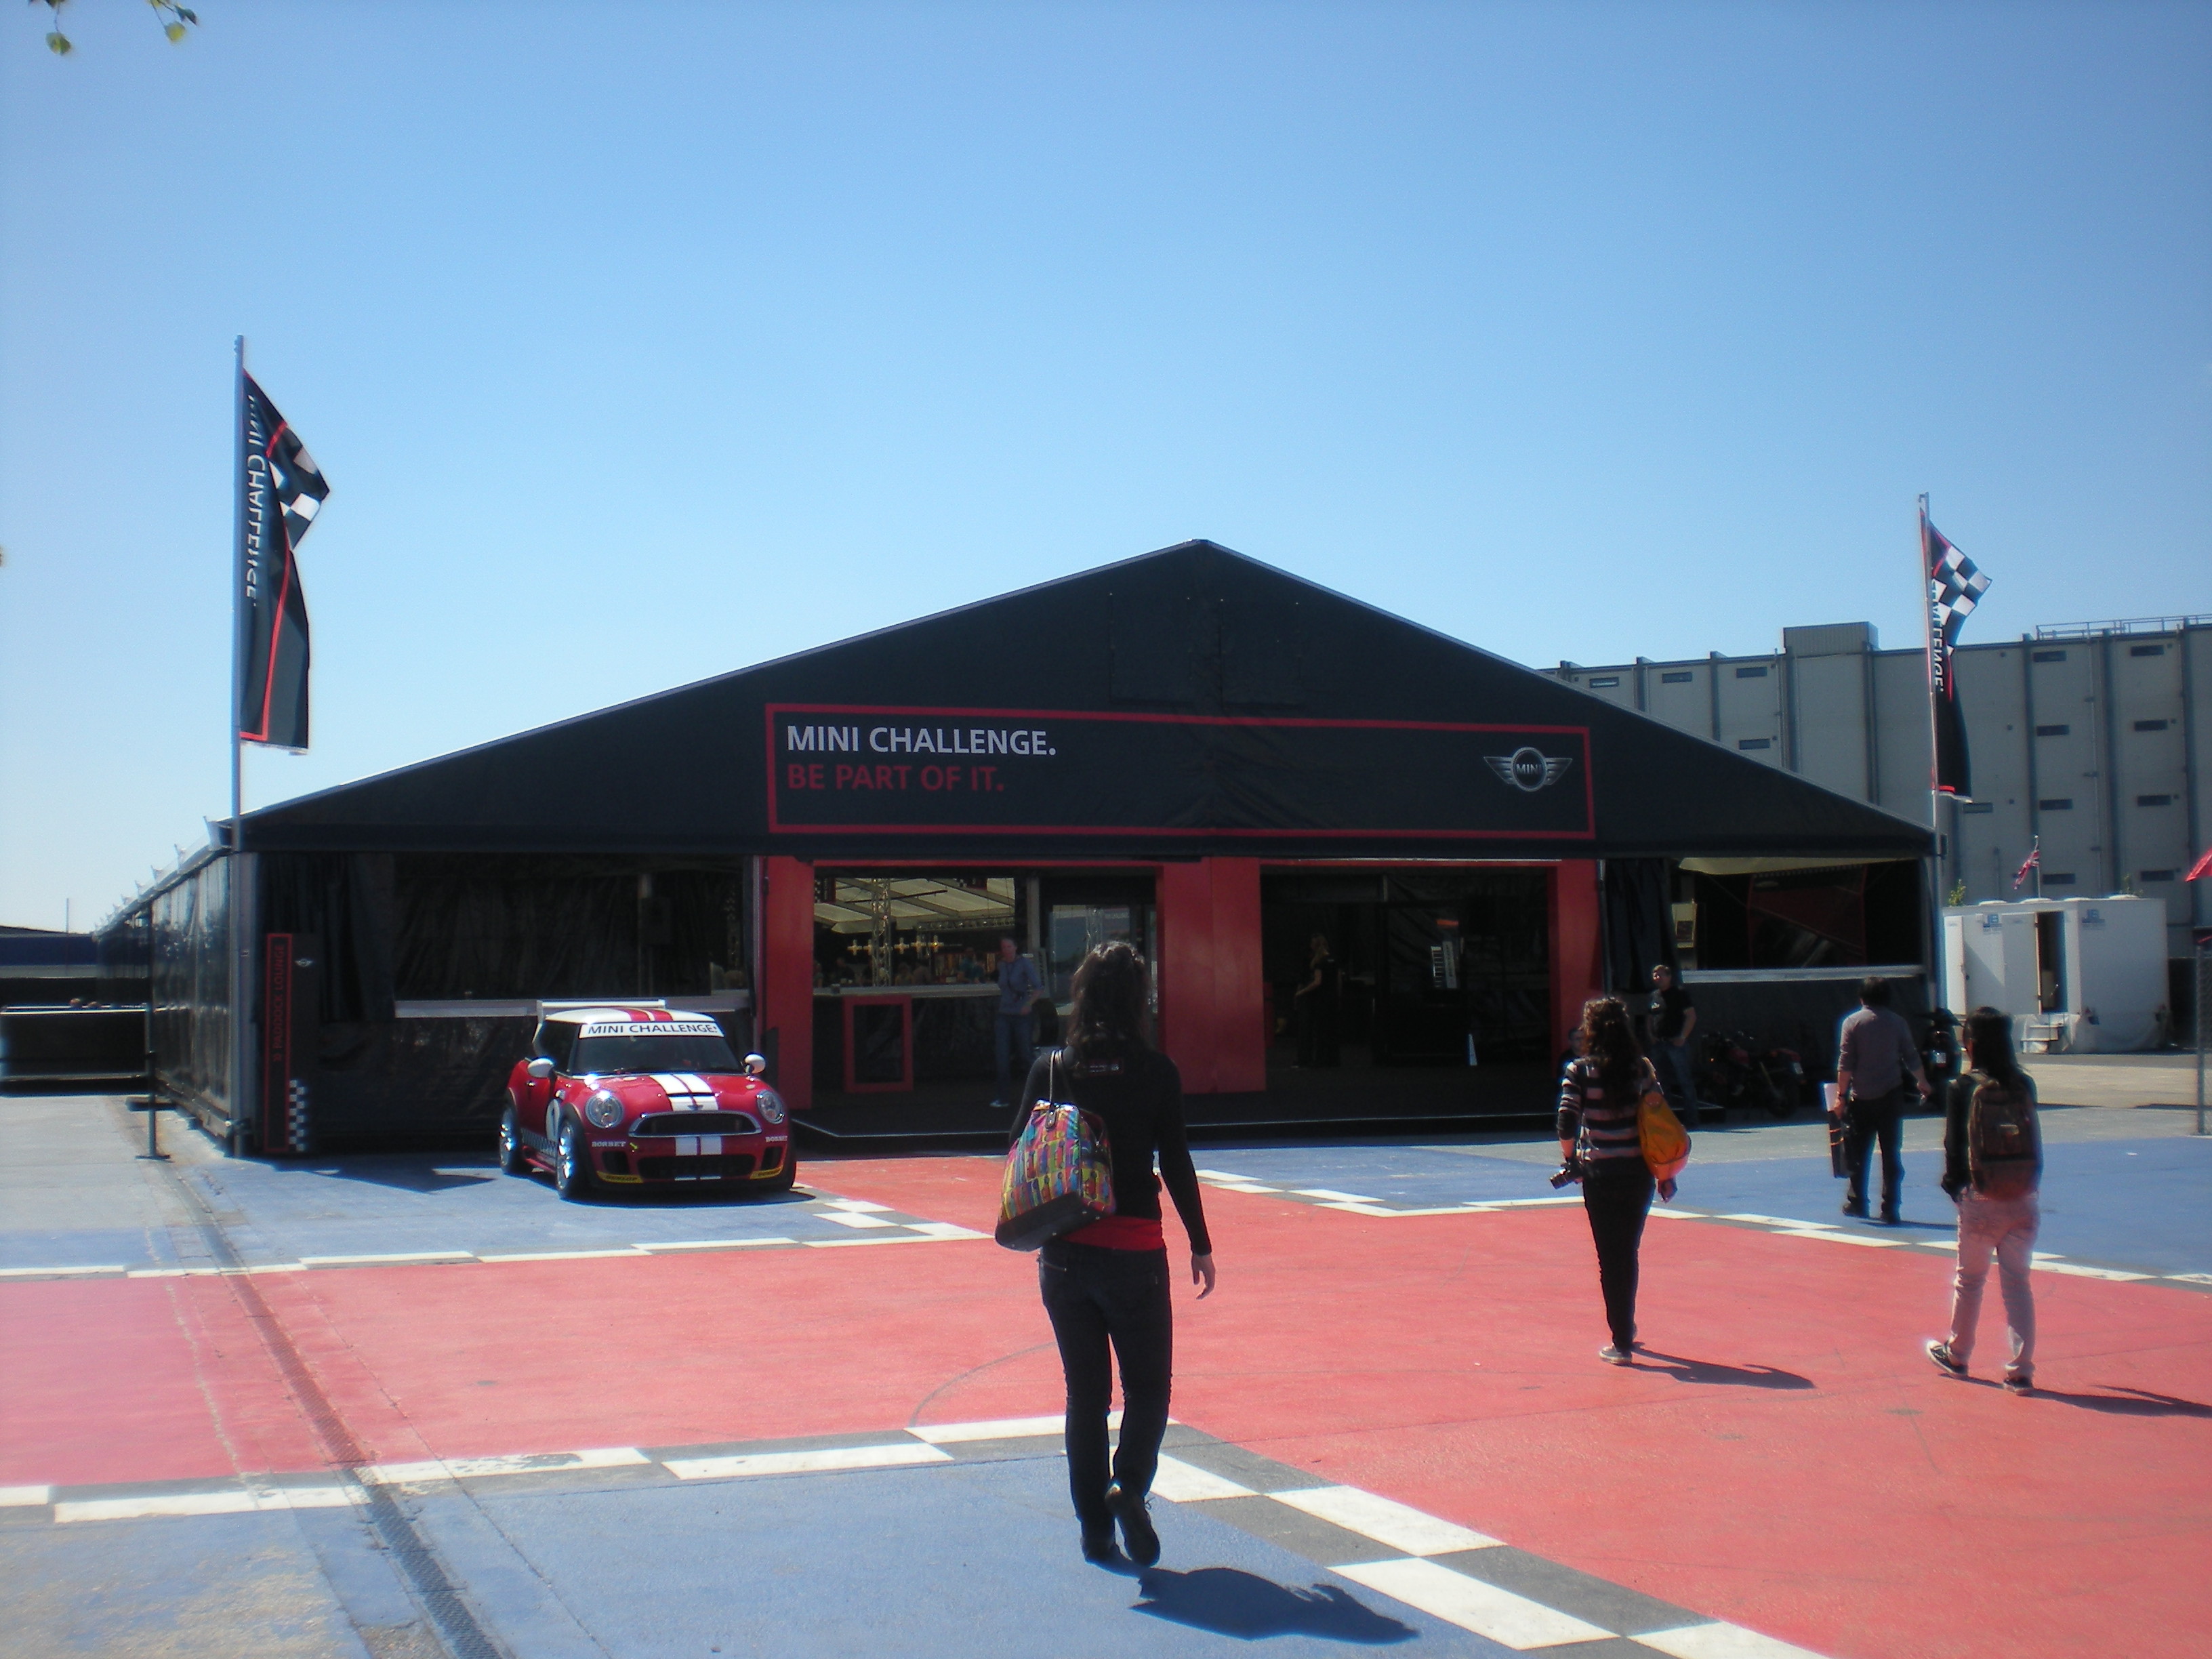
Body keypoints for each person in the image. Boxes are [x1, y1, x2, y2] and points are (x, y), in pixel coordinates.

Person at [1015, 941, 1215, 1567]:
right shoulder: (1157, 1072)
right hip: (1134, 1250)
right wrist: (1200, 1243)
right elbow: (1175, 1162)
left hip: (1065, 1251)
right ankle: (1128, 1485)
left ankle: (1095, 1532)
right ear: (1138, 1001)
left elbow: (1018, 1149)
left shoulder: (1052, 1070)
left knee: (1086, 1396)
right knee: (1148, 1389)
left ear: (1082, 995)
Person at [1927, 1007, 2044, 1393]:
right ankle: (2021, 1370)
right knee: (2018, 1284)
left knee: (1971, 1279)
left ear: (1971, 1044)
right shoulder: (2023, 1084)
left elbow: (1954, 1147)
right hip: (2023, 1196)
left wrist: (1957, 1189)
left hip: (1980, 1196)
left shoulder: (1963, 1087)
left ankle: (1958, 1353)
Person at [1557, 997, 1674, 1365]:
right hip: (1638, 1173)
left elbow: (1566, 1121)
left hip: (1601, 1175)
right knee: (1628, 1252)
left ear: (1590, 1030)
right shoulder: (1642, 1068)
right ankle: (1626, 1328)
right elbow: (1660, 1122)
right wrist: (1665, 1174)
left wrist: (1571, 1160)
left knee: (1610, 1257)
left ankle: (1621, 1340)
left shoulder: (1579, 1070)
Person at [1832, 977, 1931, 1223]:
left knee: (1858, 1152)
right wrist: (1922, 1081)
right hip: (1891, 1095)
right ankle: (1891, 1206)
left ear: (1862, 997)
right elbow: (1910, 1055)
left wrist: (1840, 1096)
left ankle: (1857, 1201)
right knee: (1891, 1153)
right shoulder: (1897, 1022)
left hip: (1861, 1097)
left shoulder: (1852, 1022)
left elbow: (1846, 1063)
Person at [991, 936, 1045, 1107]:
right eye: (1004, 947)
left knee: (1025, 1054)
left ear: (1015, 948)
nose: (1006, 950)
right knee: (1001, 1055)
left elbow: (1038, 987)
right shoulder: (1001, 965)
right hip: (1004, 1013)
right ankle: (1003, 1097)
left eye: (1009, 947)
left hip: (1021, 1014)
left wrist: (1029, 1004)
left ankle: (1041, 1094)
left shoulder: (1024, 964)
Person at [1645, 963, 1699, 1127]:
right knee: (1660, 1082)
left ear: (1669, 977)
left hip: (1676, 1044)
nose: (1658, 978)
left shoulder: (1680, 993)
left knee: (1684, 1081)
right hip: (1658, 1044)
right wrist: (1651, 1035)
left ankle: (1691, 1119)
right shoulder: (1654, 996)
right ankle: (1666, 1119)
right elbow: (1650, 1018)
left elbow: (1691, 1016)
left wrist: (1683, 1037)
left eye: (1661, 975)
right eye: (1655, 975)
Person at [1292, 933, 1341, 1067]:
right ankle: (1332, 1059)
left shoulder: (1319, 962)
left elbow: (1317, 982)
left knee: (1320, 1031)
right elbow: (1338, 981)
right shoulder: (1333, 960)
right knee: (1331, 1030)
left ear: (1316, 946)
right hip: (1332, 998)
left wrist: (1300, 992)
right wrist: (1338, 995)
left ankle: (1319, 1059)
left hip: (1322, 999)